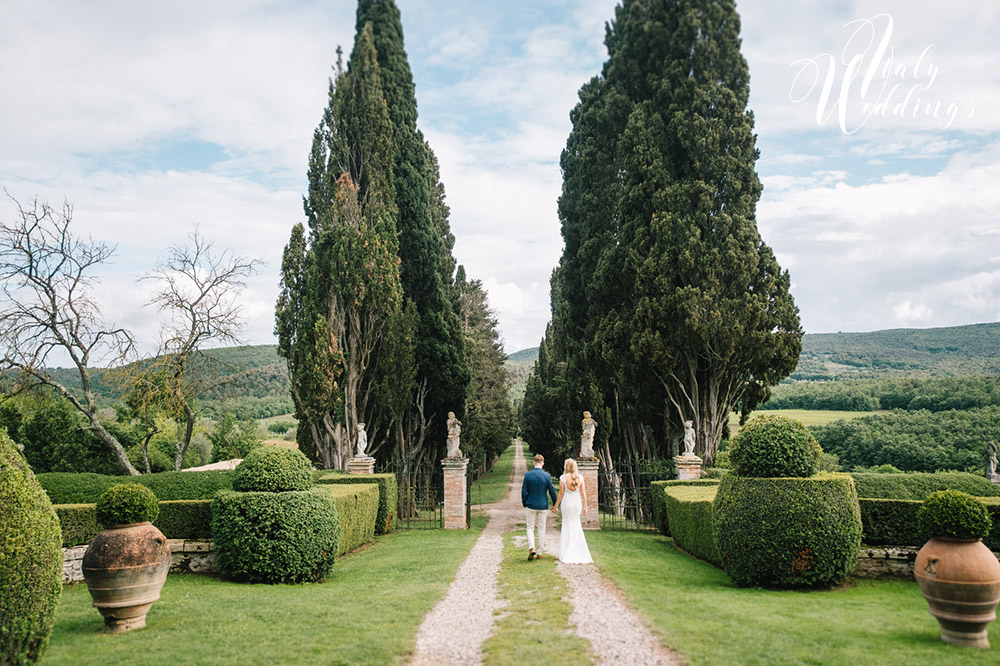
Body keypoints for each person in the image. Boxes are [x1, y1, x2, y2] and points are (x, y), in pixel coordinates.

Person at [553, 458, 593, 564]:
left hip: (567, 503)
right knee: (576, 525)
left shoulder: (563, 478)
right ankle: (579, 551)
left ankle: (566, 551)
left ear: (566, 466)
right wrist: (585, 506)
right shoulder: (580, 477)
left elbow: (561, 494)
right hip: (576, 503)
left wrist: (555, 506)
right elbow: (583, 493)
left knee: (567, 525)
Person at [521, 453, 558, 561]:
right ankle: (540, 552)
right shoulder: (547, 476)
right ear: (542, 463)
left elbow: (524, 492)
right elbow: (552, 491)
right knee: (542, 528)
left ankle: (531, 547)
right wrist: (555, 505)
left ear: (534, 463)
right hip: (543, 505)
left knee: (530, 527)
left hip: (531, 505)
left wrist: (524, 503)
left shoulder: (528, 475)